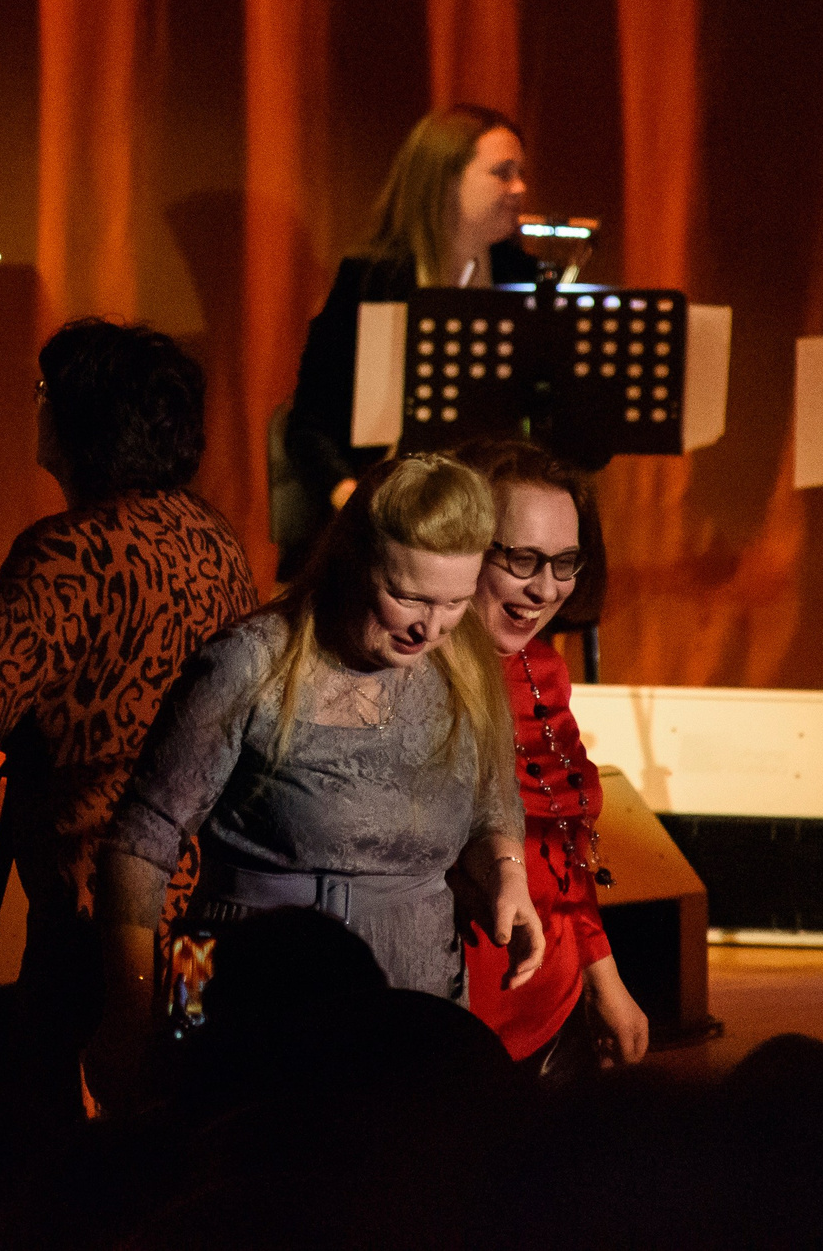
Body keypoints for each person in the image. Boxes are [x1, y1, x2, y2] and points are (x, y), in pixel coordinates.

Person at [0, 318, 257, 1104]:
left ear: (82, 417)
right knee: (176, 1086)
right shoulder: (212, 538)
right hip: (203, 890)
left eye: (45, 393)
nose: (35, 407)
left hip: (95, 898)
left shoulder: (69, 551)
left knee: (68, 1099)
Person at [90, 453, 542, 1100]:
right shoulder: (251, 663)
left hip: (412, 989)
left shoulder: (464, 661)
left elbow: (491, 806)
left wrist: (507, 873)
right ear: (351, 558)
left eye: (454, 600)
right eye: (408, 595)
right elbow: (139, 842)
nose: (431, 625)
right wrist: (133, 1010)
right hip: (239, 978)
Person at [456, 436, 650, 1077]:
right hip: (454, 1010)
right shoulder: (411, 671)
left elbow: (564, 846)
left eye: (565, 562)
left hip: (551, 1008)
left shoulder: (544, 669)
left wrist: (605, 979)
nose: (544, 589)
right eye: (521, 559)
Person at [277, 104, 537, 578]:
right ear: (444, 181)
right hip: (386, 515)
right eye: (504, 173)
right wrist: (355, 501)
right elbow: (308, 426)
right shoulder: (370, 280)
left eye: (521, 173)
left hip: (493, 520)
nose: (520, 188)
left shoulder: (527, 280)